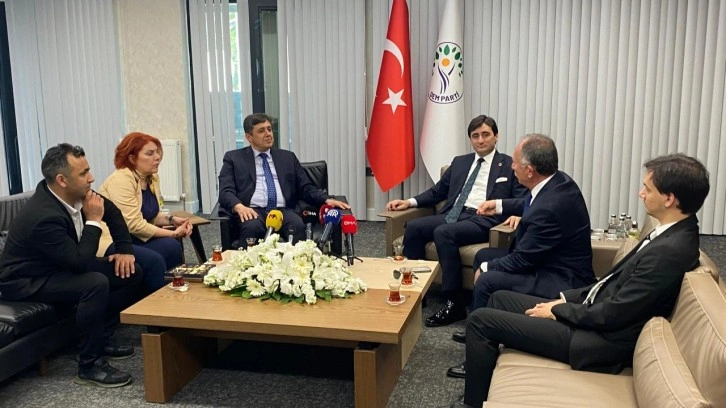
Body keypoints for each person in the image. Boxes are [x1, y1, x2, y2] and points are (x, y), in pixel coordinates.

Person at [440, 153, 710, 408]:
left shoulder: (669, 251)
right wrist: (565, 299)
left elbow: (615, 314)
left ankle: (473, 403)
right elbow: (608, 284)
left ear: (669, 199)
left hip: (596, 340)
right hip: (590, 316)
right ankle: (484, 374)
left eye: (647, 189)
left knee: (481, 321)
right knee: (499, 298)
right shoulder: (670, 233)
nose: (641, 194)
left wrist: (559, 310)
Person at [446, 134, 595, 378]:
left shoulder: (549, 207)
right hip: (545, 261)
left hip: (561, 278)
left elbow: (522, 260)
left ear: (529, 170)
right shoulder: (557, 182)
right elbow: (530, 202)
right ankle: (477, 321)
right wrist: (499, 205)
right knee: (482, 255)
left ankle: (479, 353)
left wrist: (488, 268)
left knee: (487, 278)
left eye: (515, 163)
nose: (511, 166)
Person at [0, 143, 144, 387]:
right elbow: (79, 263)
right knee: (94, 283)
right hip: (25, 281)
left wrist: (124, 251)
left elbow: (113, 213)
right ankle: (89, 365)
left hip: (57, 267)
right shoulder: (43, 216)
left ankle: (102, 337)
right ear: (62, 180)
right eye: (83, 173)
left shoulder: (78, 194)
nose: (92, 178)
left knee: (130, 271)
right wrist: (94, 221)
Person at [386, 115, 526, 327]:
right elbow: (437, 192)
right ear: (470, 139)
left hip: (484, 219)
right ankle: (417, 293)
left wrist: (518, 214)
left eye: (486, 134)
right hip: (454, 214)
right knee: (414, 227)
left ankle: (454, 302)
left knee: (444, 232)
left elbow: (522, 199)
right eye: (475, 136)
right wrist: (409, 202)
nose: (480, 140)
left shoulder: (509, 165)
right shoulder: (460, 162)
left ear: (496, 136)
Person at [218, 113, 350, 247]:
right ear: (249, 137)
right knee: (252, 228)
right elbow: (225, 191)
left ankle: (298, 260)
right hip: (252, 210)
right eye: (261, 131)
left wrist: (326, 199)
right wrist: (239, 207)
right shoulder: (234, 159)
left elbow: (305, 187)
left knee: (297, 226)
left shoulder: (287, 157)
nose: (268, 134)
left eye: (269, 129)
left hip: (283, 210)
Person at [98, 132, 191, 292]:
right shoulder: (121, 179)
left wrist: (172, 220)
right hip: (114, 240)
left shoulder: (151, 178)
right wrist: (173, 233)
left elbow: (150, 214)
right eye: (150, 153)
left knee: (172, 247)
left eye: (157, 152)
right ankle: (156, 302)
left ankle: (174, 291)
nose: (157, 157)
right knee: (154, 260)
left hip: (135, 237)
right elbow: (134, 225)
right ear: (132, 158)